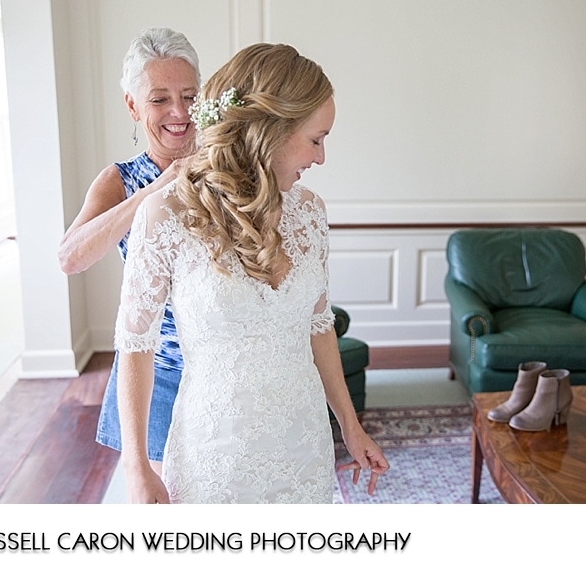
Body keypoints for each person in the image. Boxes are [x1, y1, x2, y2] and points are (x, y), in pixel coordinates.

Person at [115, 43, 389, 503]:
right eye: (316, 139)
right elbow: (135, 345)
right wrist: (137, 464)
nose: (321, 159)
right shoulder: (164, 215)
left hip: (304, 446)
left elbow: (319, 328)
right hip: (213, 453)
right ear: (270, 133)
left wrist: (350, 426)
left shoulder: (309, 214)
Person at [59, 27, 200, 475]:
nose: (179, 112)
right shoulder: (118, 180)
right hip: (155, 371)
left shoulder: (228, 168)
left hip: (226, 366)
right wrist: (156, 189)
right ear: (133, 105)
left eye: (190, 96)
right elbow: (70, 257)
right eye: (159, 99)